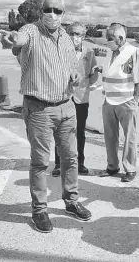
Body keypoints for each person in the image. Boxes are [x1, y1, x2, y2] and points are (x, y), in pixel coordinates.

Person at [0, 0, 92, 233]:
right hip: (39, 108)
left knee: (70, 158)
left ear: (64, 13)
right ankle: (40, 210)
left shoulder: (66, 38)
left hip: (66, 106)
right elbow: (18, 38)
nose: (53, 14)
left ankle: (71, 201)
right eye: (49, 10)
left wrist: (76, 75)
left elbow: (73, 67)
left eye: (58, 11)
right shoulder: (31, 30)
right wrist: (12, 39)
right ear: (42, 11)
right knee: (40, 162)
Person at [52, 22, 102, 177]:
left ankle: (80, 163)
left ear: (84, 36)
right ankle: (59, 163)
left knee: (79, 131)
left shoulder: (90, 53)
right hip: (63, 97)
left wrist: (96, 73)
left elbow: (93, 78)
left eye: (78, 34)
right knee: (61, 131)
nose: (75, 37)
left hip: (81, 99)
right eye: (72, 33)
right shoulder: (60, 51)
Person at [100, 23, 139, 183]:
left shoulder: (133, 52)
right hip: (109, 101)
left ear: (120, 38)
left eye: (110, 38)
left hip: (127, 101)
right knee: (110, 136)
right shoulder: (109, 53)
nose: (108, 41)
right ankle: (112, 166)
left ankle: (130, 169)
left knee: (129, 137)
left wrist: (136, 100)